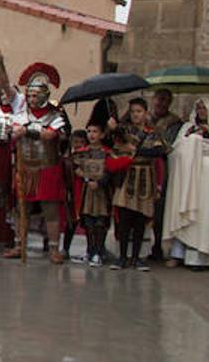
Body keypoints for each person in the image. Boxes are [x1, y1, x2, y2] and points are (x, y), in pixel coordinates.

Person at [5, 63, 70, 264]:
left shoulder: (55, 116)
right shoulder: (21, 115)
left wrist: (28, 131)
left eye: (35, 96)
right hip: (25, 168)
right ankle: (19, 244)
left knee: (50, 210)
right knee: (20, 209)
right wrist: (15, 132)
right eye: (30, 96)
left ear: (43, 96)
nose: (32, 99)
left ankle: (53, 249)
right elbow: (14, 131)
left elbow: (50, 135)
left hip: (47, 167)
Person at [164, 98, 209, 268]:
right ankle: (177, 253)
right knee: (182, 210)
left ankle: (200, 256)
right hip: (187, 175)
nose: (201, 112)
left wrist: (205, 136)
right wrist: (192, 139)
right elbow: (177, 150)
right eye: (198, 108)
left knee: (204, 212)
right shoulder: (186, 127)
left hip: (206, 175)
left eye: (204, 108)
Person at [110, 97, 168, 271]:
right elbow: (115, 147)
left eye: (139, 111)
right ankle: (121, 256)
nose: (136, 115)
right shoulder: (123, 130)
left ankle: (137, 257)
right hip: (128, 175)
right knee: (125, 217)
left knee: (140, 219)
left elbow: (159, 151)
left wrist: (136, 150)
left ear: (145, 113)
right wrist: (113, 128)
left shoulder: (153, 132)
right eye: (133, 111)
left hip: (145, 176)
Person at [72, 122, 113, 267]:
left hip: (102, 191)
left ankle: (99, 251)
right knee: (88, 221)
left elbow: (110, 169)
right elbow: (75, 166)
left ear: (102, 134)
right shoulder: (82, 152)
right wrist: (86, 178)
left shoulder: (107, 152)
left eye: (95, 131)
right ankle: (90, 250)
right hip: (87, 190)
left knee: (100, 222)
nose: (91, 134)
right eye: (89, 131)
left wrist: (100, 182)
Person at [149, 88, 183, 261]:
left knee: (160, 208)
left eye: (165, 100)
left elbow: (169, 145)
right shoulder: (144, 117)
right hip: (145, 166)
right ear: (153, 99)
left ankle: (157, 246)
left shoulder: (174, 122)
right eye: (158, 99)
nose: (161, 103)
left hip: (163, 167)